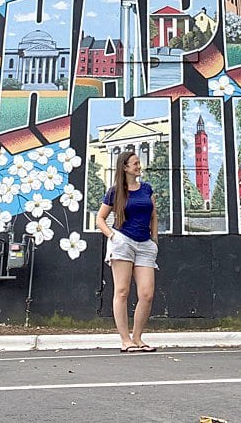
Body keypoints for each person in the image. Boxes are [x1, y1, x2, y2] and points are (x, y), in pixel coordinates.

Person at [96, 150, 159, 353]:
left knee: (147, 294)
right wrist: (112, 236)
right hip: (123, 241)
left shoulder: (147, 189)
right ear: (125, 167)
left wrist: (155, 240)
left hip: (145, 244)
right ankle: (125, 340)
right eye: (135, 164)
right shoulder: (115, 192)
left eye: (139, 163)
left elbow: (154, 216)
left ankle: (138, 338)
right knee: (122, 292)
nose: (139, 166)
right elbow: (100, 219)